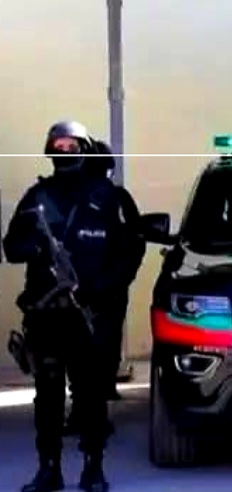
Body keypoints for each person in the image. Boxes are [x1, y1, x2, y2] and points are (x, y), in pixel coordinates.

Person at [4, 120, 145, 492]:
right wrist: (36, 246)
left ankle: (93, 468)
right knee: (48, 396)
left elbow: (129, 252)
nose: (65, 152)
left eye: (71, 145)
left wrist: (104, 289)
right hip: (47, 314)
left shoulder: (107, 198)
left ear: (84, 150)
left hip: (90, 314)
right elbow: (11, 246)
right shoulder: (37, 196)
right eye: (59, 146)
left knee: (90, 397)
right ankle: (48, 469)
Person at [64, 138, 146, 435]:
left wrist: (116, 281)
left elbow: (135, 242)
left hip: (103, 290)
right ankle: (87, 409)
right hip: (83, 290)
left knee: (95, 351)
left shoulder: (114, 200)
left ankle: (91, 410)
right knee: (86, 351)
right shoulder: (72, 199)